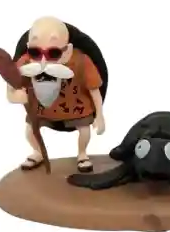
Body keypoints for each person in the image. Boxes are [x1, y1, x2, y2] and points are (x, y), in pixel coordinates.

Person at [7, 16, 106, 172]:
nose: (43, 61)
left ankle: (82, 154)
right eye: (35, 52)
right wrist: (14, 95)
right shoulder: (26, 63)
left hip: (76, 106)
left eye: (53, 53)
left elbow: (94, 89)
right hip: (40, 109)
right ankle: (38, 152)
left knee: (84, 130)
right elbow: (11, 83)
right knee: (29, 131)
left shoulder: (81, 62)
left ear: (67, 51)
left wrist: (99, 115)